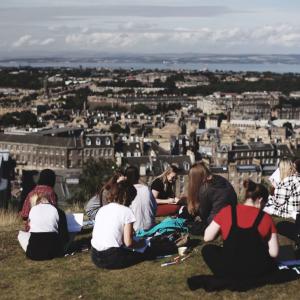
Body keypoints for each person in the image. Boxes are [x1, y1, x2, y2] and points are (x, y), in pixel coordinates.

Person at [202, 180, 278, 279]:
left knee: (208, 249)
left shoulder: (227, 211)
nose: (264, 206)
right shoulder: (266, 218)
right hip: (255, 271)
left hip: (229, 270)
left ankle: (225, 274)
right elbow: (274, 253)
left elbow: (207, 237)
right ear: (260, 199)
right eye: (265, 203)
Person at [91, 180, 147, 269]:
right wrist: (142, 244)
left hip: (94, 256)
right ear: (129, 197)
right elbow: (128, 243)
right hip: (112, 257)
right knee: (145, 253)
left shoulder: (102, 209)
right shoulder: (126, 211)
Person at [187, 161, 237, 229]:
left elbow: (204, 213)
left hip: (216, 223)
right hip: (233, 218)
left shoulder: (205, 189)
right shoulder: (220, 179)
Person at [265, 158, 300, 255]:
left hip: (293, 216)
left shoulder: (287, 182)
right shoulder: (297, 179)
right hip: (295, 215)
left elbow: (278, 203)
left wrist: (275, 190)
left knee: (278, 225)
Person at [18, 195, 68, 261]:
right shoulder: (58, 211)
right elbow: (64, 234)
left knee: (20, 234)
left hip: (33, 254)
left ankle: (31, 249)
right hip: (54, 252)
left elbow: (29, 229)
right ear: (50, 201)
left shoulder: (33, 209)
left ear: (38, 202)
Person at [125, 166, 156, 232]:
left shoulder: (126, 191)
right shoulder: (147, 189)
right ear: (138, 177)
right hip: (150, 227)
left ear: (126, 178)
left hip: (134, 229)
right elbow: (154, 208)